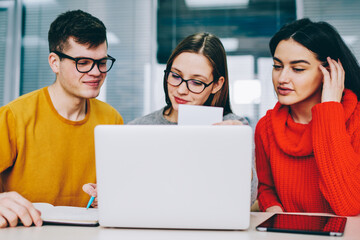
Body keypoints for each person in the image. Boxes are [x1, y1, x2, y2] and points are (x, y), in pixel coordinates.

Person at [83, 32, 258, 207]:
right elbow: (126, 195)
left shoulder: (234, 128)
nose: (181, 90)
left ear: (217, 85)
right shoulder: (138, 129)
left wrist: (237, 153)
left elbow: (247, 200)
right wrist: (105, 195)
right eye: (175, 76)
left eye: (196, 82)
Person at [0, 10, 123, 228]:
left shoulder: (111, 119)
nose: (96, 72)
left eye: (102, 62)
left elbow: (121, 188)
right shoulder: (14, 116)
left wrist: (114, 197)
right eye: (83, 62)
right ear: (55, 63)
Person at [255, 18, 360, 216]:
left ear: (329, 71)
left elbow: (349, 205)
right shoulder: (266, 127)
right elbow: (266, 189)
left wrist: (330, 110)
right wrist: (274, 212)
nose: (282, 78)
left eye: (298, 69)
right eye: (277, 66)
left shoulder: (356, 121)